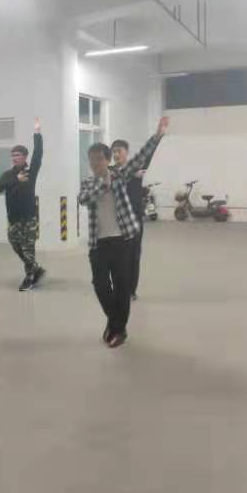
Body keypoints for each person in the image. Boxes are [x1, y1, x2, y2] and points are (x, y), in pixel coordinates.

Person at [78, 117, 168, 348]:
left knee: (122, 286)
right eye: (91, 160)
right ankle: (115, 322)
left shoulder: (120, 175)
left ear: (108, 160)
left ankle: (119, 330)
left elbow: (140, 158)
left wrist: (157, 135)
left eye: (99, 159)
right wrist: (104, 185)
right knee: (100, 284)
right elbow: (83, 199)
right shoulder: (88, 183)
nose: (95, 164)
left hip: (122, 240)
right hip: (98, 243)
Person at [0, 118, 45, 291]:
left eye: (18, 155)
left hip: (29, 217)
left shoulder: (31, 172)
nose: (15, 158)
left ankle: (30, 277)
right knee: (15, 243)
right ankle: (35, 268)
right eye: (13, 155)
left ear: (25, 157)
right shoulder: (8, 175)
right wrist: (15, 180)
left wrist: (37, 133)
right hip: (13, 218)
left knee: (28, 248)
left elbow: (38, 153)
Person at [111, 139, 157, 301]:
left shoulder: (137, 167)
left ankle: (131, 290)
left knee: (133, 255)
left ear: (127, 152)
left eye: (119, 151)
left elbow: (147, 155)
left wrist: (158, 137)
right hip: (117, 221)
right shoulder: (111, 171)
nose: (116, 154)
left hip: (135, 220)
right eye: (114, 151)